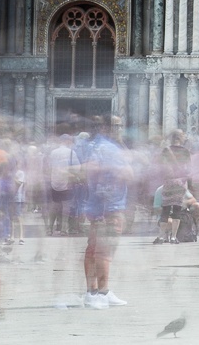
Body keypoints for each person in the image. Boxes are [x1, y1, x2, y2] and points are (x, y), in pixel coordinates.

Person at [74, 117, 130, 308]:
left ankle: (97, 291)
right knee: (103, 250)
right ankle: (98, 292)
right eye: (117, 126)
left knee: (98, 248)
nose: (120, 129)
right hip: (108, 205)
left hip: (103, 203)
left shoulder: (100, 146)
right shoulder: (105, 147)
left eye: (120, 125)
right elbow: (126, 173)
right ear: (107, 127)